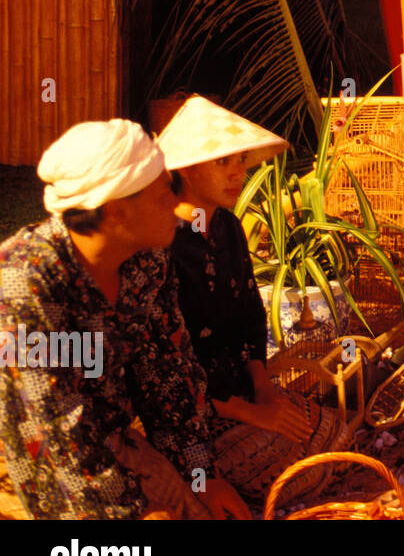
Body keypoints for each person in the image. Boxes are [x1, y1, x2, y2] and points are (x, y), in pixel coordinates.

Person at [0, 120, 249, 520]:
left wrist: (202, 476)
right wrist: (135, 508)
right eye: (164, 192)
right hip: (37, 456)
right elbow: (58, 432)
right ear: (118, 212)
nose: (176, 202)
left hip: (112, 438)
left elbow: (169, 373)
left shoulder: (147, 261)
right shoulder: (24, 282)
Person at [156, 97, 346, 507]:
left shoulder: (227, 227)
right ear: (187, 169)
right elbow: (168, 366)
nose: (240, 174)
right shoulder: (160, 243)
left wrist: (264, 391)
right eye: (225, 163)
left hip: (241, 391)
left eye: (241, 160)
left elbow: (248, 314)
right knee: (296, 465)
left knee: (336, 434)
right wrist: (247, 413)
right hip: (194, 418)